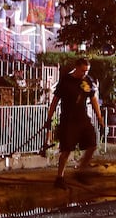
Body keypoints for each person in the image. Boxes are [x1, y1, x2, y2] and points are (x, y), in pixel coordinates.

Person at [45, 57, 105, 189]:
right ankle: (59, 178)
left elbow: (94, 99)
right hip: (68, 120)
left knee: (92, 144)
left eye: (87, 71)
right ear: (77, 68)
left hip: (83, 118)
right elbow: (55, 100)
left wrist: (100, 119)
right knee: (66, 150)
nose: (85, 73)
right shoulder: (66, 81)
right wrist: (49, 118)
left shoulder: (87, 80)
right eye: (83, 70)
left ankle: (81, 170)